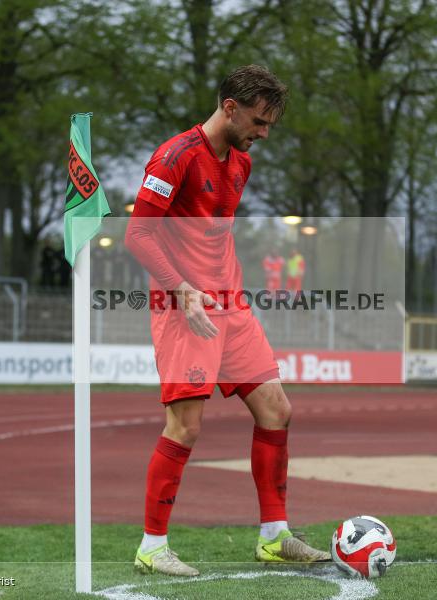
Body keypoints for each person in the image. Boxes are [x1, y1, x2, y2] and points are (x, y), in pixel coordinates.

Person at [124, 65, 328, 578]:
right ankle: (152, 546)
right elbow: (138, 236)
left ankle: (274, 537)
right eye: (260, 122)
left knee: (277, 408)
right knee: (187, 426)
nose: (264, 133)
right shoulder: (174, 158)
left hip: (230, 307)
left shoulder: (242, 162)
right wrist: (184, 289)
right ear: (230, 107)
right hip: (182, 309)